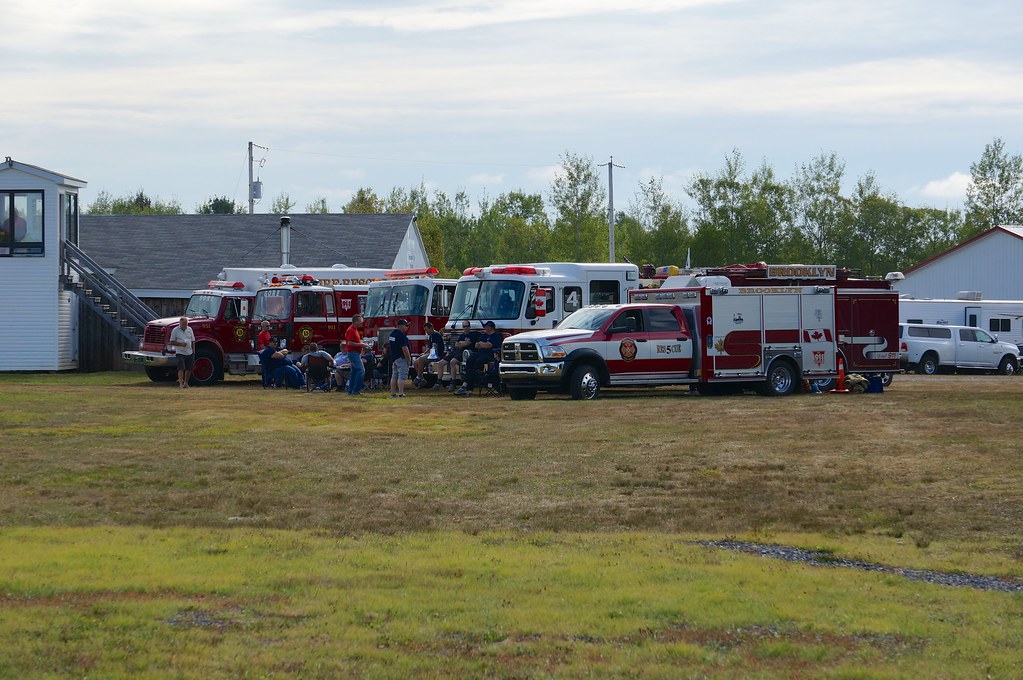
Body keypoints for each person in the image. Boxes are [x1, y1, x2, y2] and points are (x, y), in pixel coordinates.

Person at [454, 320, 501, 397]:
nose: (485, 328)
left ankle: (466, 387)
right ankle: (468, 388)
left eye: (486, 327)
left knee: (477, 363)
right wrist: (483, 344)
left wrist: (482, 344)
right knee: (469, 360)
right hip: (479, 353)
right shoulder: (484, 335)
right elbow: (476, 345)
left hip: (489, 355)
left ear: (490, 327)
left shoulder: (495, 336)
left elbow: (489, 346)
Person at [439, 321, 477, 391]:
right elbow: (456, 344)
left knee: (452, 362)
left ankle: (453, 382)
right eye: (464, 326)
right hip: (457, 351)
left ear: (470, 326)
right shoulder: (462, 335)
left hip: (465, 352)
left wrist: (462, 343)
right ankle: (439, 383)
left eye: (467, 326)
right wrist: (463, 343)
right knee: (441, 363)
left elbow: (468, 344)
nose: (465, 328)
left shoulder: (473, 335)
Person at [412, 322, 445, 389]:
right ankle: (422, 380)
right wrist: (424, 353)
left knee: (421, 359)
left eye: (426, 330)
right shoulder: (431, 336)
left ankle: (419, 377)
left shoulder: (436, 335)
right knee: (415, 362)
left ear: (431, 328)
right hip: (430, 353)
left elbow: (434, 347)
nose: (426, 332)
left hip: (436, 355)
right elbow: (430, 347)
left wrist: (425, 355)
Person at [345, 313, 371, 395]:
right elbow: (349, 343)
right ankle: (356, 390)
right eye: (360, 321)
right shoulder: (350, 330)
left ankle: (351, 390)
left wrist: (362, 344)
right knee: (361, 371)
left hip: (355, 352)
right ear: (355, 321)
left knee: (354, 372)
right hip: (353, 353)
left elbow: (355, 342)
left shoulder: (355, 330)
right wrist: (361, 345)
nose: (362, 323)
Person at [168, 317, 196, 388]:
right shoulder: (175, 330)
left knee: (189, 368)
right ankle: (181, 383)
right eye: (183, 324)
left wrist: (193, 351)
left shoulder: (190, 329)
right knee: (181, 367)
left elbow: (193, 341)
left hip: (189, 352)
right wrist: (180, 344)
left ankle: (186, 383)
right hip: (180, 352)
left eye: (186, 324)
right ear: (180, 323)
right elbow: (171, 342)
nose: (185, 325)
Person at [388, 318, 413, 398]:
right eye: (406, 326)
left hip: (394, 358)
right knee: (402, 376)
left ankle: (392, 393)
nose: (407, 327)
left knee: (394, 376)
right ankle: (401, 393)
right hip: (402, 358)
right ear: (401, 326)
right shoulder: (401, 336)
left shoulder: (392, 334)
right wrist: (409, 359)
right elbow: (405, 349)